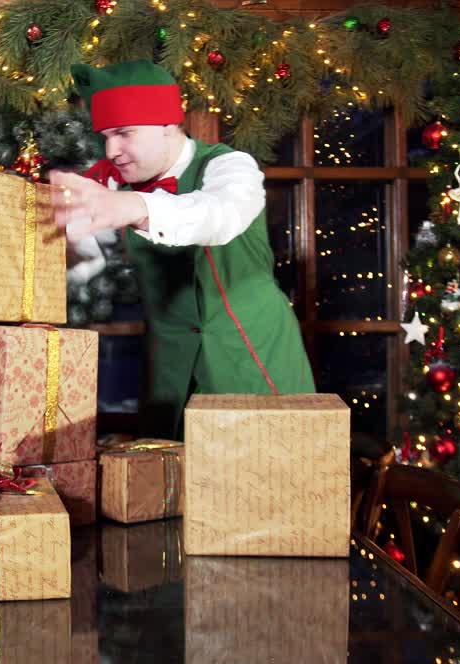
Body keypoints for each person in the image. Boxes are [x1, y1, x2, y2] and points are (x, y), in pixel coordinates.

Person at [50, 60, 315, 439]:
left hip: (254, 361)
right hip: (169, 376)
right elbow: (81, 259)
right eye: (106, 136)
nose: (112, 150)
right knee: (170, 488)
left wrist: (135, 208)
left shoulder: (229, 166)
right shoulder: (115, 186)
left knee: (271, 484)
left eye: (124, 133)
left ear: (167, 125)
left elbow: (221, 215)